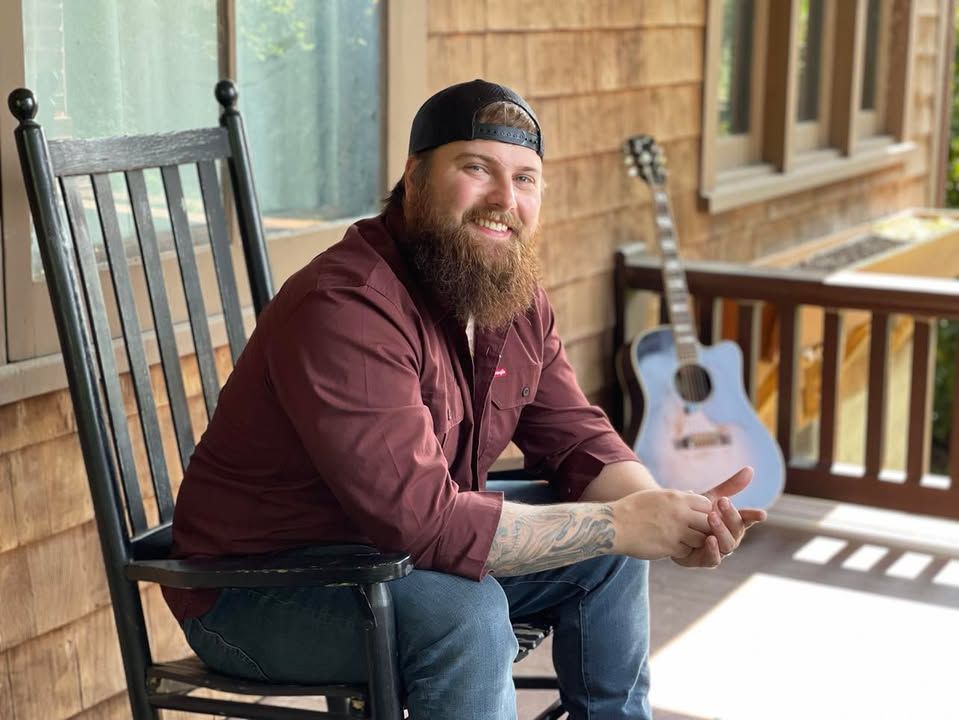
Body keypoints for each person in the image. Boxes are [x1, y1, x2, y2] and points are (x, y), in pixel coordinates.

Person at [163, 79, 766, 719]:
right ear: (415, 178)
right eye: (477, 169)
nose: (505, 199)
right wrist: (623, 523)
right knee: (468, 615)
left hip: (396, 562)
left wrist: (667, 517)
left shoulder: (506, 292)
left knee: (607, 553)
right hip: (259, 588)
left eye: (525, 178)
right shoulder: (346, 305)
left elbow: (578, 440)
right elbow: (424, 523)